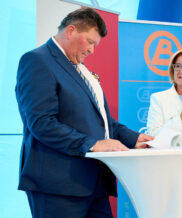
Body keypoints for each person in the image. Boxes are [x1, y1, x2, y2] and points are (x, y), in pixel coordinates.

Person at [15, 7, 153, 217]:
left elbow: (103, 121)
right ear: (70, 31)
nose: (91, 50)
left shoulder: (81, 70)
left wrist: (134, 138)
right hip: (58, 187)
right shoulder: (37, 61)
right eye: (90, 42)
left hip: (93, 183)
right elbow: (42, 123)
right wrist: (92, 144)